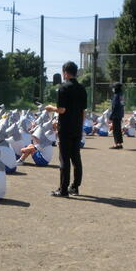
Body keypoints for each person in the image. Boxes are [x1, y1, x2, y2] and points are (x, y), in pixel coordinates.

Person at [43, 62, 88, 196]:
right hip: (77, 127)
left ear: (65, 73)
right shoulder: (82, 88)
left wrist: (51, 108)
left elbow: (61, 109)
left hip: (66, 128)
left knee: (64, 158)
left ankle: (63, 189)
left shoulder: (63, 88)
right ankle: (75, 186)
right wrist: (80, 126)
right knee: (76, 158)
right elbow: (83, 111)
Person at [109, 82, 125, 150]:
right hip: (120, 114)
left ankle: (116, 144)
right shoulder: (121, 95)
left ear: (116, 88)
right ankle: (120, 143)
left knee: (115, 130)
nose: (113, 89)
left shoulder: (116, 96)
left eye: (113, 87)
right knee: (118, 129)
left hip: (115, 115)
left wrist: (111, 116)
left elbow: (115, 106)